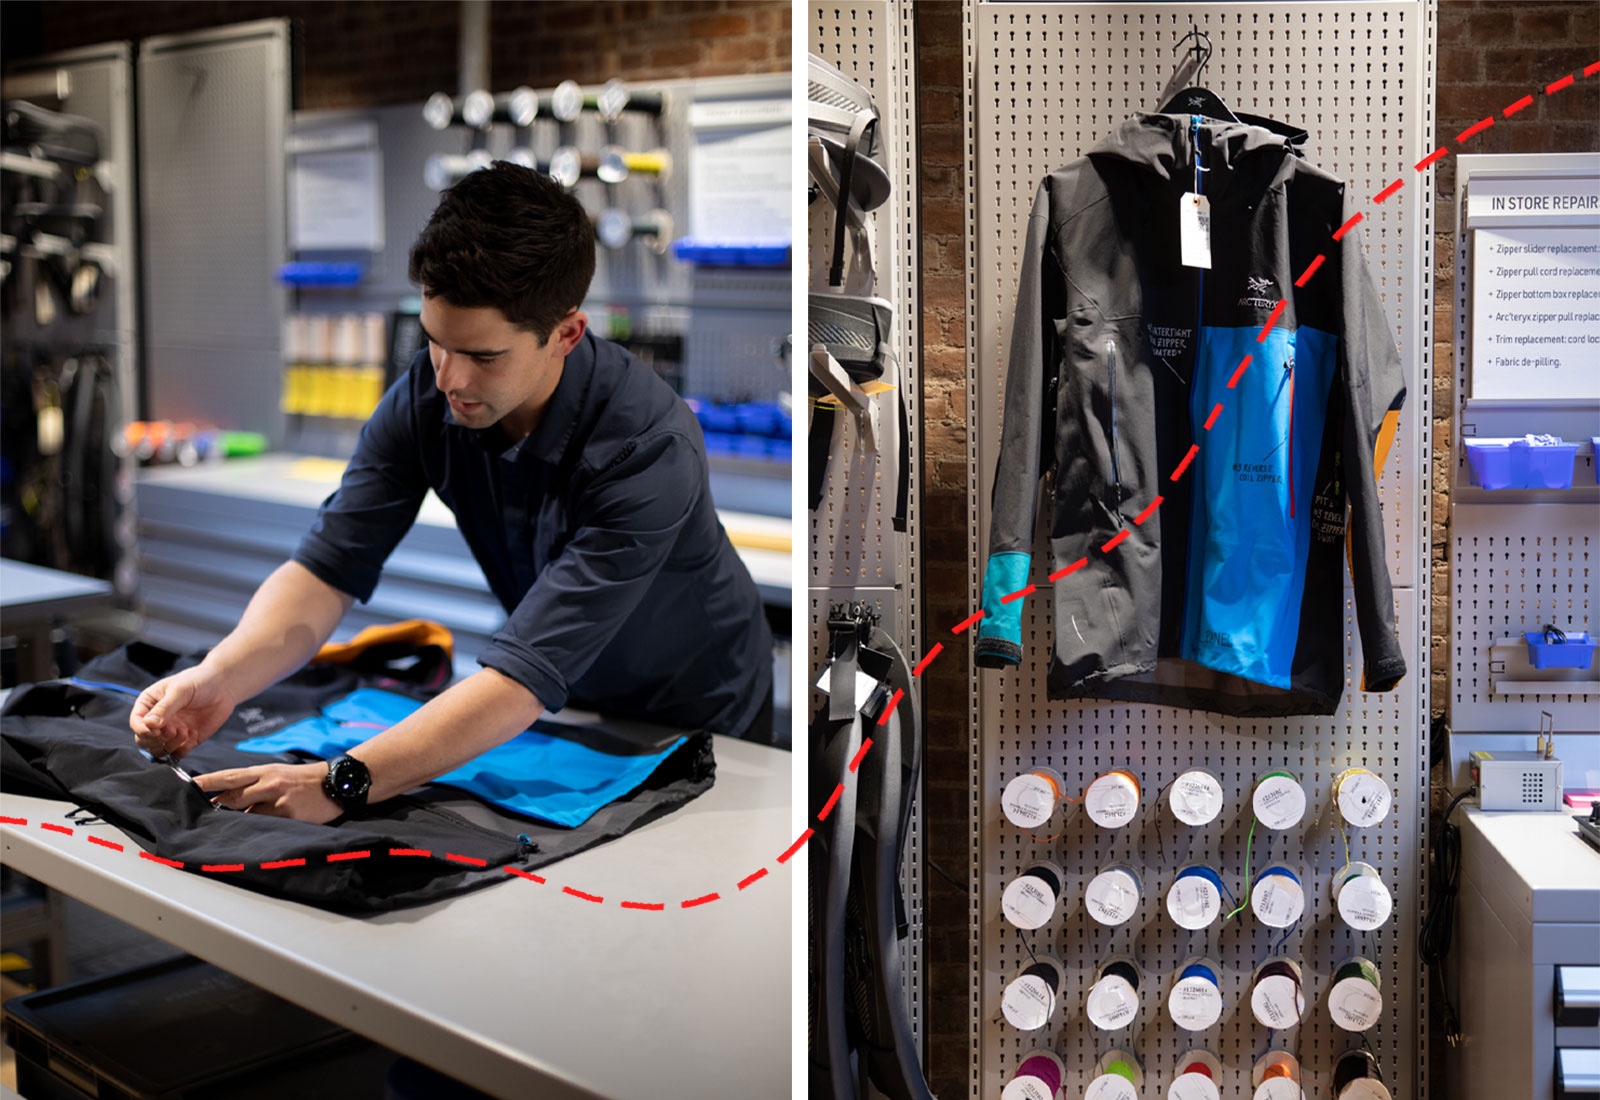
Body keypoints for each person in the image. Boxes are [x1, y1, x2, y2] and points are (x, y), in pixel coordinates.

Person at [130, 162, 774, 823]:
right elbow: (326, 568)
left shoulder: (646, 447)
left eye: (484, 356)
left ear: (566, 334)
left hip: (699, 723)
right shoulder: (425, 397)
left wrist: (340, 784)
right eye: (437, 342)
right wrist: (222, 677)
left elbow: (523, 675)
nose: (449, 378)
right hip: (566, 704)